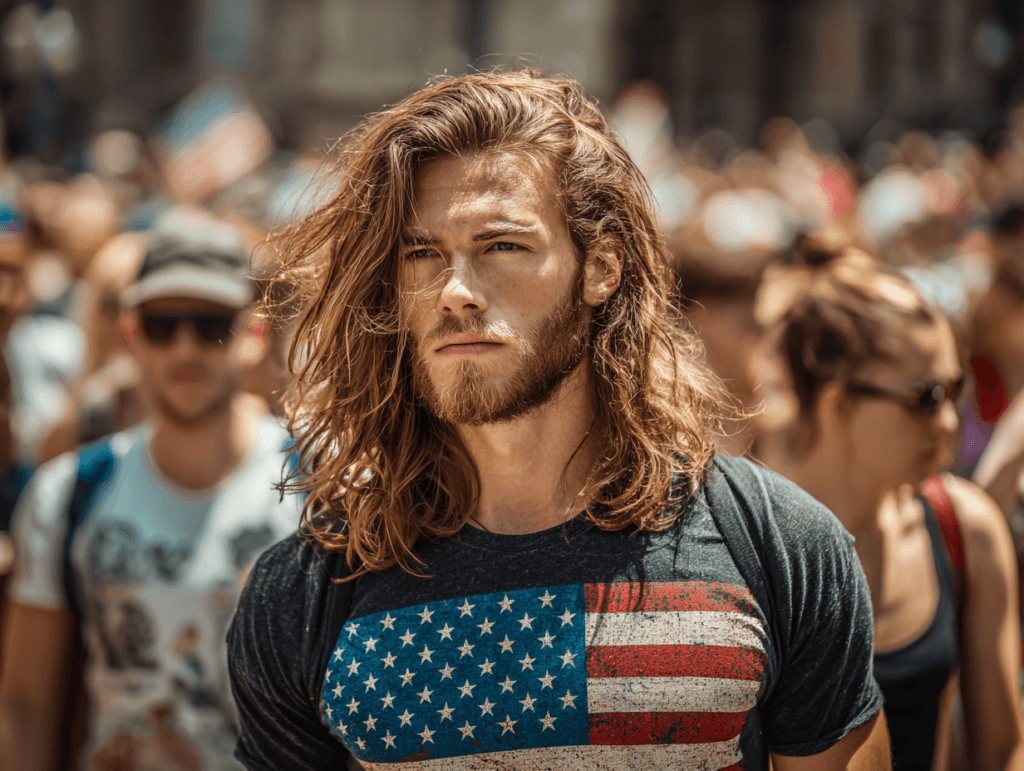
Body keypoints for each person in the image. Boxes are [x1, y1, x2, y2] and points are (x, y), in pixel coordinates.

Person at [227, 70, 889, 770]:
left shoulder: (781, 547)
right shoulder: (305, 594)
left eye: (502, 245)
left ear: (601, 267)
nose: (455, 290)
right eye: (422, 253)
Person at [0, 220, 301, 770]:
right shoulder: (66, 494)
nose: (185, 346)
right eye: (164, 326)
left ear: (253, 335)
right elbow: (23, 706)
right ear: (133, 336)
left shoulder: (319, 485)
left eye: (209, 325)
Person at [755, 242, 1024, 771]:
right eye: (924, 397)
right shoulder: (747, 538)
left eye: (955, 389)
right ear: (838, 402)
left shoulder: (962, 526)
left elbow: (1002, 750)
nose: (949, 421)